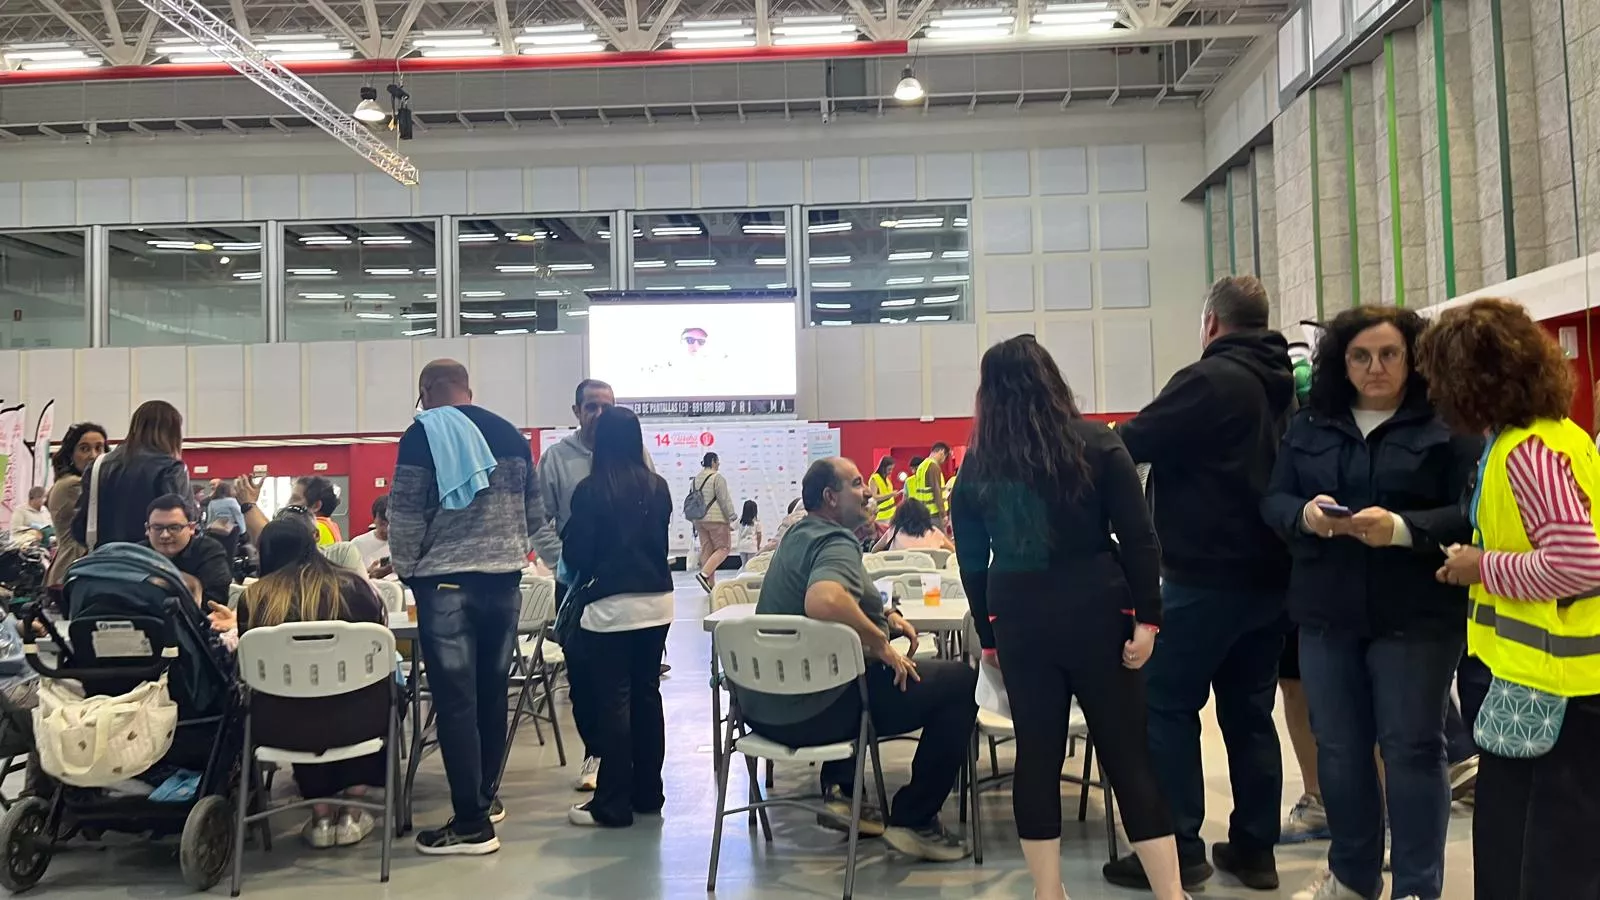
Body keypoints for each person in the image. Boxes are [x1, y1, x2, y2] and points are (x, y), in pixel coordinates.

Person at [951, 335, 1188, 900]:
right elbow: (1138, 538)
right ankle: (1171, 894)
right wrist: (1148, 619)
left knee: (1037, 754)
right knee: (1129, 757)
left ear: (989, 394)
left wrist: (989, 638)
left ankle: (1048, 892)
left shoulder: (979, 463)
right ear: (1052, 380)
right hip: (1097, 611)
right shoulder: (1098, 444)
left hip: (1020, 619)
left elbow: (970, 561)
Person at [1261, 306, 1480, 900]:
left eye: (1389, 354)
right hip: (1327, 615)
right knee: (1339, 750)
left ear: (1413, 359)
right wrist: (1304, 516)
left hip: (1416, 617)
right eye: (1361, 356)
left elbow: (1473, 512)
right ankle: (1352, 877)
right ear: (1342, 362)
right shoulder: (1311, 425)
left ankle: (1415, 886)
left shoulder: (1447, 426)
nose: (1375, 367)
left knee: (1412, 749)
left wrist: (1404, 528)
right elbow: (1274, 501)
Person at [1106, 275, 1295, 892]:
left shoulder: (1208, 380)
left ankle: (1179, 846)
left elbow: (1127, 444)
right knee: (1249, 715)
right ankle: (1255, 850)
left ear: (1212, 322)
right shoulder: (1282, 387)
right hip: (1271, 581)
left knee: (1166, 708)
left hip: (1202, 576)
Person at [1416, 298, 1600, 900]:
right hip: (1535, 685)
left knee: (1544, 865)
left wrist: (1482, 568)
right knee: (1512, 849)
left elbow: (1580, 564)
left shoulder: (1532, 455)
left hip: (1561, 693)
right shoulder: (1542, 438)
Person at [738, 456, 977, 863]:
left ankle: (843, 791)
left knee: (852, 666)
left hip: (762, 711)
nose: (870, 492)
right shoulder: (837, 541)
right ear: (830, 498)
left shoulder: (798, 537)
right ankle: (914, 819)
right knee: (961, 684)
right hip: (816, 713)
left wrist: (882, 616)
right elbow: (823, 599)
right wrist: (882, 645)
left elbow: (820, 595)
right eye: (858, 483)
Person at [389, 359, 559, 856]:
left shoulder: (422, 434)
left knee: (455, 701)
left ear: (425, 392)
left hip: (445, 586)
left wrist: (407, 571)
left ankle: (470, 824)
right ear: (469, 388)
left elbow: (403, 512)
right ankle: (485, 798)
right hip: (505, 583)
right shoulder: (509, 434)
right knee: (490, 695)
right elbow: (534, 516)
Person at [209, 519, 390, 849]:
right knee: (365, 692)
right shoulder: (357, 587)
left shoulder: (256, 598)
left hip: (281, 727)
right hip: (362, 720)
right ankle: (351, 814)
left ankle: (321, 817)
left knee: (298, 698)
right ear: (313, 544)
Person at [538, 378, 656, 793]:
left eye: (607, 405)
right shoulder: (556, 459)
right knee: (585, 679)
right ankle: (596, 753)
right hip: (576, 588)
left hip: (629, 589)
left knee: (636, 685)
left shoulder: (636, 454)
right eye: (591, 406)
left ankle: (633, 774)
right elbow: (539, 520)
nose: (600, 414)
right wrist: (565, 568)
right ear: (576, 412)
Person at [557, 407, 674, 828]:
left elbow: (578, 556)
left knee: (614, 702)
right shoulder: (658, 487)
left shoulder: (591, 491)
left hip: (609, 607)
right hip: (658, 603)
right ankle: (648, 794)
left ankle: (612, 803)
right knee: (647, 696)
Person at [72, 400, 189, 550]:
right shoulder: (171, 468)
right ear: (173, 434)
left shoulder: (97, 466)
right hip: (153, 562)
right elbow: (182, 524)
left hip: (104, 562)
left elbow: (79, 528)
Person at [140, 494, 233, 611]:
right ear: (147, 529)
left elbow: (214, 602)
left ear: (191, 528)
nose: (165, 535)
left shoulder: (208, 551)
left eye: (174, 527)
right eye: (157, 528)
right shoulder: (136, 554)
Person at [45, 422, 106, 588]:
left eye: (99, 448)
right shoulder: (74, 485)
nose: (93, 455)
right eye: (84, 449)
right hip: (73, 568)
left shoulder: (70, 482)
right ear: (71, 454)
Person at [691, 452, 735, 593]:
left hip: (699, 519)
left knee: (707, 550)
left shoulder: (695, 479)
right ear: (714, 461)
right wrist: (731, 516)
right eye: (718, 461)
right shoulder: (717, 478)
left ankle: (711, 584)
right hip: (716, 519)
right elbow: (723, 499)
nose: (719, 464)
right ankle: (704, 575)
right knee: (723, 548)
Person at [872, 498, 954, 553]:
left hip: (897, 576)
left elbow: (874, 551)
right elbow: (953, 551)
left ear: (899, 515)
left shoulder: (894, 532)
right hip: (928, 576)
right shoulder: (934, 533)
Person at [292, 476, 343, 547]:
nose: (289, 503)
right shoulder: (330, 527)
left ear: (316, 506)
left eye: (295, 499)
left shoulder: (313, 529)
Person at [906, 444, 951, 525]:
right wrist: (943, 514)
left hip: (924, 512)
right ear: (942, 451)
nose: (944, 460)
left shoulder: (922, 466)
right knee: (939, 537)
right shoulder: (933, 466)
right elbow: (936, 491)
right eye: (945, 456)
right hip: (935, 513)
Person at [204, 480, 244, 562]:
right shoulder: (232, 501)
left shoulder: (212, 503)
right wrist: (243, 531)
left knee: (218, 553)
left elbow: (210, 518)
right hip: (231, 531)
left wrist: (209, 527)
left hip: (216, 531)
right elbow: (239, 516)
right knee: (229, 554)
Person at [351, 495, 391, 577]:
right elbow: (348, 577)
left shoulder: (406, 543)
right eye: (382, 524)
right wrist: (367, 574)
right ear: (374, 520)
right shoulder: (357, 544)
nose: (386, 529)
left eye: (391, 524)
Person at [868, 456, 899, 534]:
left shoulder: (887, 480)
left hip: (891, 515)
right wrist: (890, 495)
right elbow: (874, 497)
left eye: (892, 469)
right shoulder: (874, 479)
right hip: (881, 517)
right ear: (883, 468)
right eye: (889, 469)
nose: (891, 472)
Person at [735, 501, 763, 566]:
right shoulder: (756, 522)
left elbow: (732, 527)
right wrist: (758, 546)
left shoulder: (740, 521)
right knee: (751, 565)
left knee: (743, 565)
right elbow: (759, 535)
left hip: (741, 545)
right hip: (752, 546)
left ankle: (740, 575)